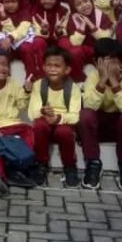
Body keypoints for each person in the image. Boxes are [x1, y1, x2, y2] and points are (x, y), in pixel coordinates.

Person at [79, 39, 122, 190]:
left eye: (113, 63)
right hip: (98, 124)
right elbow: (89, 105)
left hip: (120, 127)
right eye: (105, 63)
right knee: (85, 115)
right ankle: (93, 163)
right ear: (96, 63)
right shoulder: (93, 77)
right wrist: (102, 80)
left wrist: (113, 81)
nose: (108, 67)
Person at [28, 45, 81, 187]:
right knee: (39, 125)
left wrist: (58, 118)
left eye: (57, 66)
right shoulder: (39, 85)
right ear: (43, 67)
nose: (52, 69)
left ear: (67, 70)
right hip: (45, 123)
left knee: (64, 132)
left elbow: (75, 116)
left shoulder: (73, 88)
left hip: (62, 124)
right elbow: (32, 112)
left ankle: (70, 166)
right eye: (49, 65)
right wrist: (43, 112)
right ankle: (41, 164)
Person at [0, 48, 33, 196]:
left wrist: (26, 91)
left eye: (5, 65)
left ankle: (14, 170)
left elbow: (22, 106)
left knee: (29, 133)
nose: (2, 68)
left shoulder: (12, 83)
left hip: (15, 124)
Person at [61, 0, 112, 82]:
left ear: (90, 0)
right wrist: (82, 26)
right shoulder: (72, 19)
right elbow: (74, 43)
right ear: (74, 7)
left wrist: (90, 24)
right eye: (78, 4)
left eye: (86, 1)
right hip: (83, 52)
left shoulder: (100, 14)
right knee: (74, 52)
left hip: (99, 50)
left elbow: (105, 38)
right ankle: (79, 80)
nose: (84, 5)